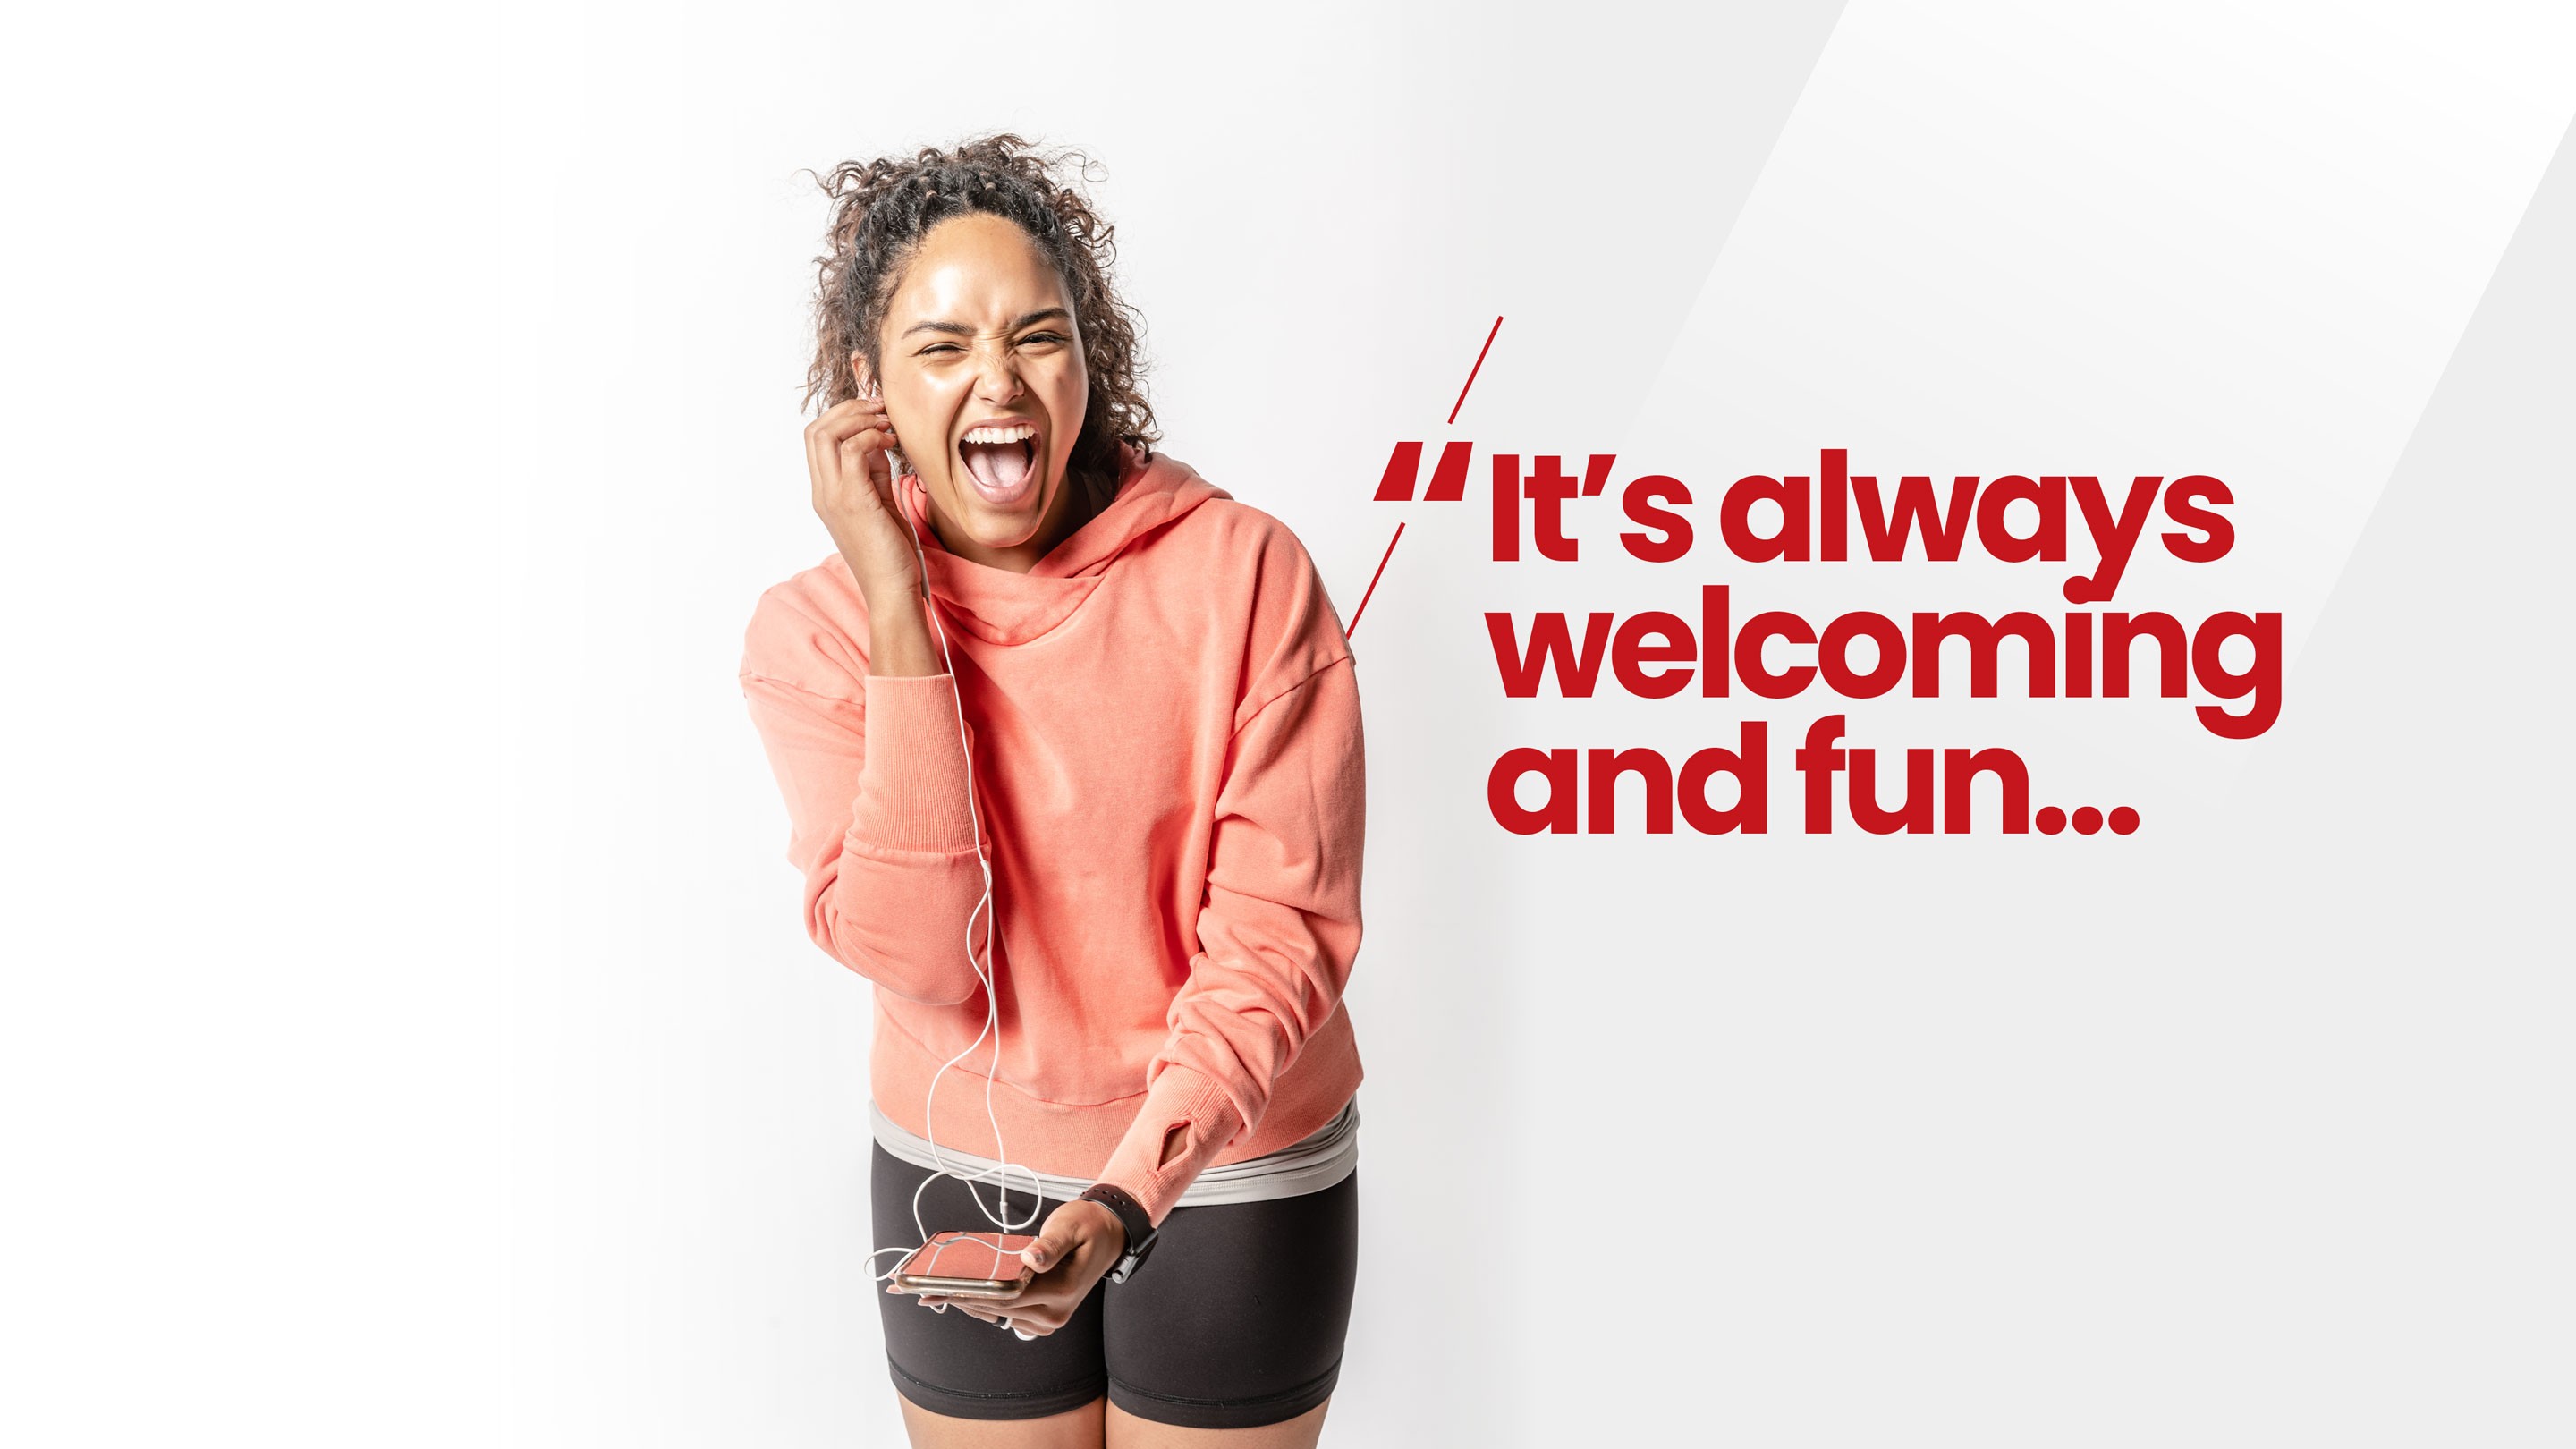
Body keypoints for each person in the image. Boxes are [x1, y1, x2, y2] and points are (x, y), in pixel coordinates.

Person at [736, 134, 1368, 1448]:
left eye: (1039, 334)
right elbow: (924, 962)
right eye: (942, 346)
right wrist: (902, 608)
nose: (998, 379)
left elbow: (1277, 939)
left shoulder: (1244, 577)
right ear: (866, 391)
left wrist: (1131, 1194)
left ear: (1091, 355)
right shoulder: (814, 637)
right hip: (956, 1164)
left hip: (1229, 1163)